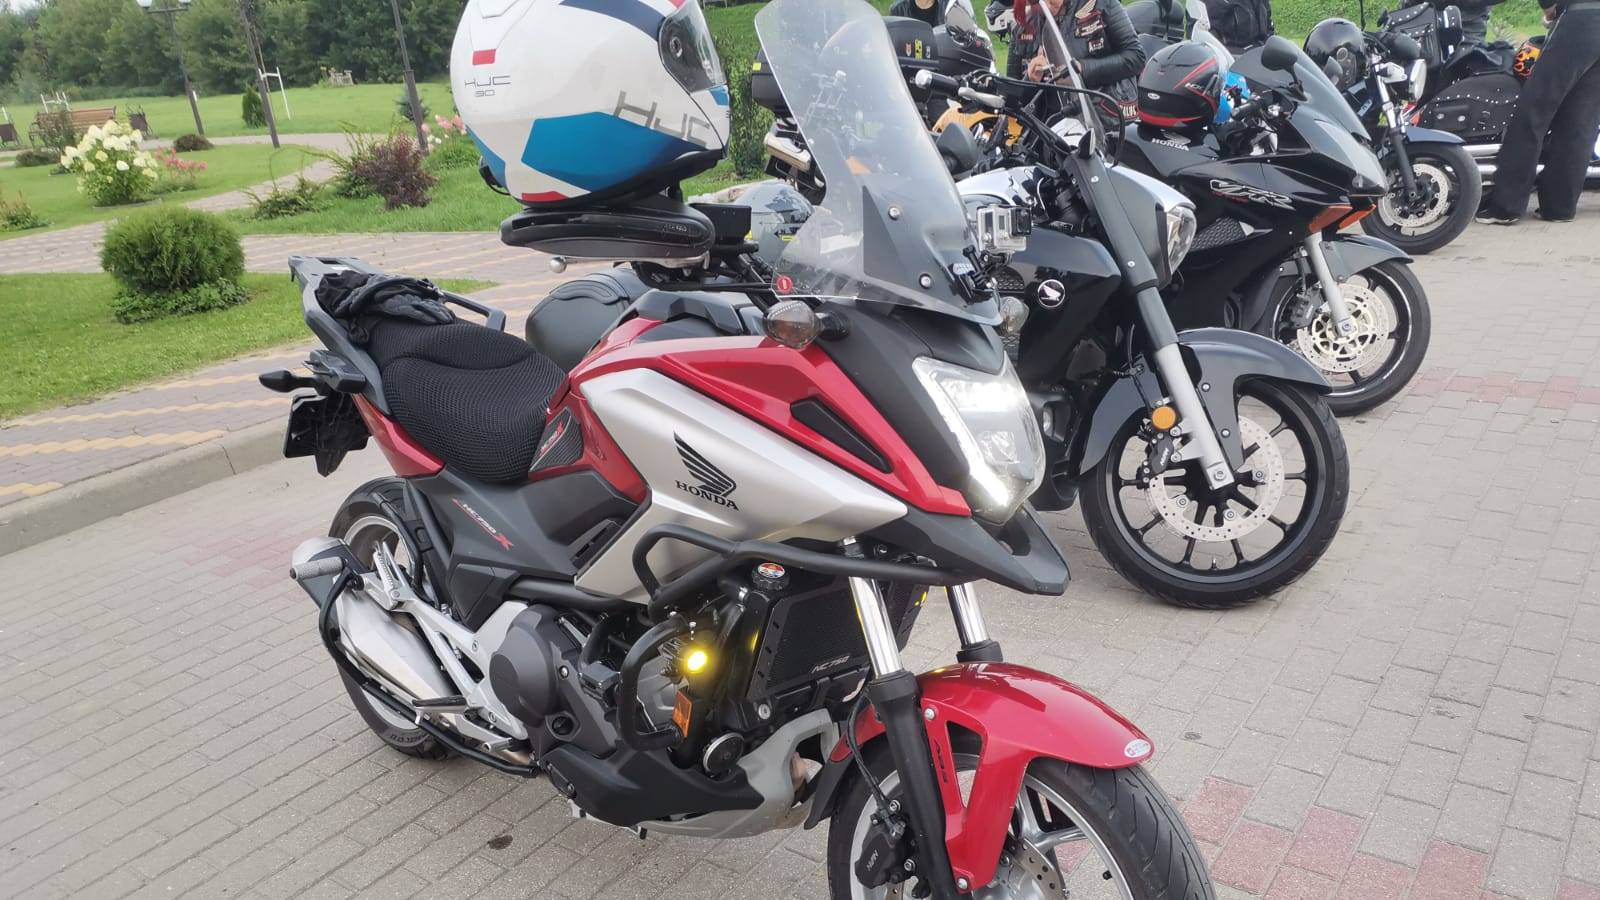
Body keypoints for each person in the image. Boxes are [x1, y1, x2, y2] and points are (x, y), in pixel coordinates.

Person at [1477, 0, 1600, 224]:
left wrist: (1549, 9)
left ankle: (1506, 207)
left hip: (1579, 20)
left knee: (1532, 114)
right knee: (1580, 121)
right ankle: (1559, 207)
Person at [1008, 0, 1146, 126]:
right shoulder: (1023, 26)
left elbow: (1136, 57)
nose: (1047, 5)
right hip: (1049, 125)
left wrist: (1082, 68)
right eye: (1037, 2)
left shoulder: (1102, 3)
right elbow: (1011, 97)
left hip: (1102, 115)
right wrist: (1030, 80)